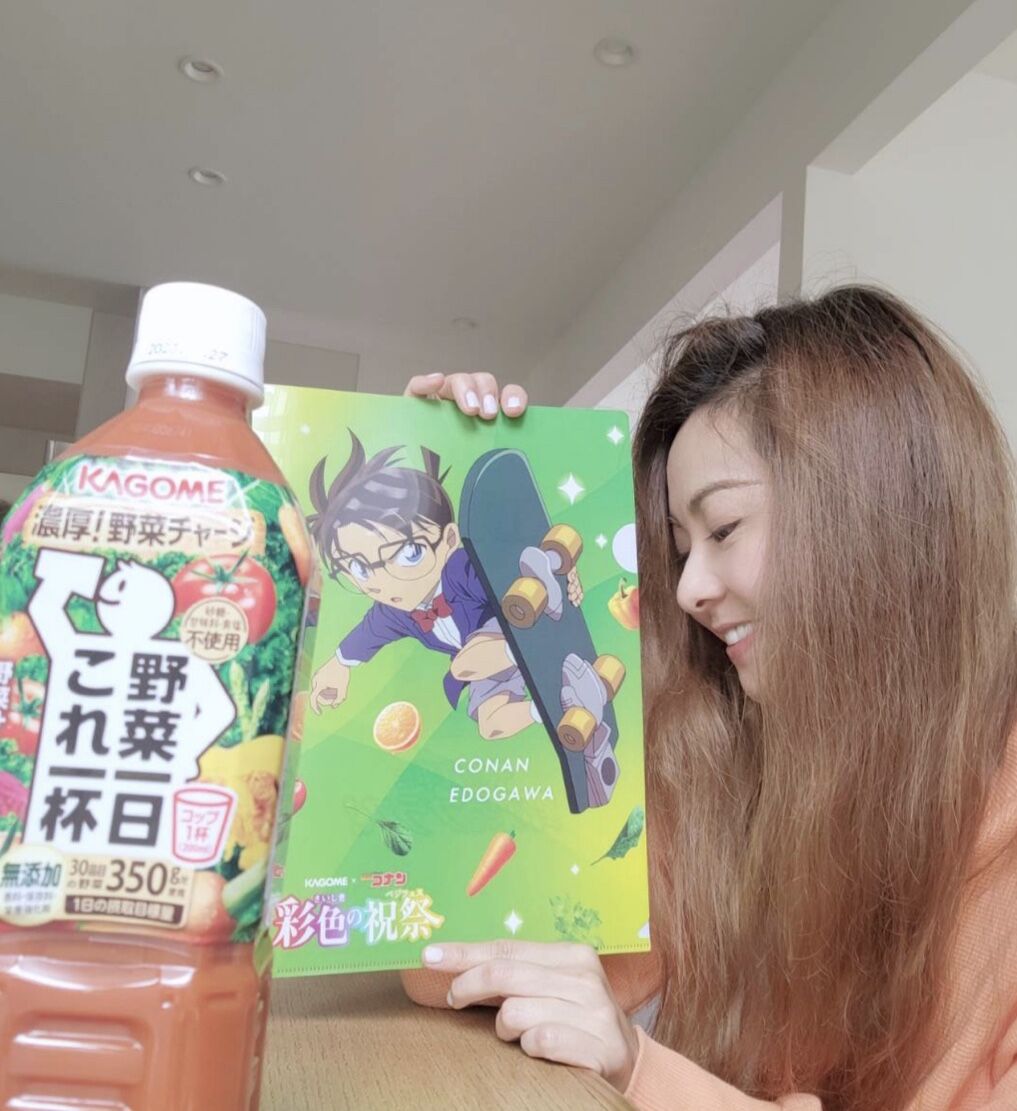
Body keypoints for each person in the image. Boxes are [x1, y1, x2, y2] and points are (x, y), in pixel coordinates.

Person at [398, 288, 1017, 1110]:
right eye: (679, 547)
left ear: (880, 516)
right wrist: (445, 530)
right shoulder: (723, 761)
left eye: (722, 529)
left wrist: (642, 1070)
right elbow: (458, 968)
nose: (688, 589)